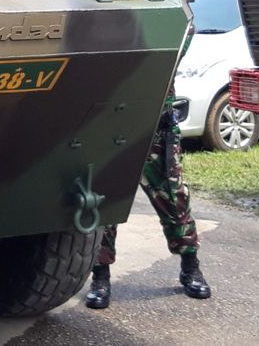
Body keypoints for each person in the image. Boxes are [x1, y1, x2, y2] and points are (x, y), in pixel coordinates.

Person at [84, 89, 212, 309]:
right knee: (104, 202)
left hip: (156, 126)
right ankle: (100, 277)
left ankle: (191, 267)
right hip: (111, 125)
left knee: (174, 198)